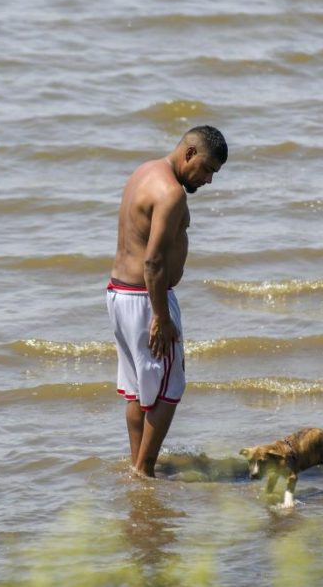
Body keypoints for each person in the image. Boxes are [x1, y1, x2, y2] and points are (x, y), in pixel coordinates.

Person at [107, 125, 227, 477]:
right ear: (189, 153)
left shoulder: (144, 171)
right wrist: (161, 316)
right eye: (207, 169)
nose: (207, 181)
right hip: (146, 299)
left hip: (119, 295)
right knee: (168, 389)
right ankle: (144, 472)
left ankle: (137, 467)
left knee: (137, 389)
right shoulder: (172, 193)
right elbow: (154, 262)